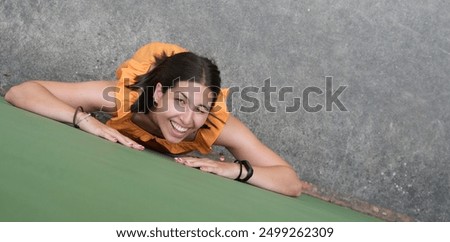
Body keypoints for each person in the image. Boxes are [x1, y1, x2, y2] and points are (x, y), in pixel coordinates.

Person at [5, 42, 304, 197]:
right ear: (159, 94)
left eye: (201, 108)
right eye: (180, 101)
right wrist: (84, 120)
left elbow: (290, 182)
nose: (187, 119)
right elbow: (22, 92)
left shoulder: (215, 126)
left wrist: (235, 170)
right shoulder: (123, 99)